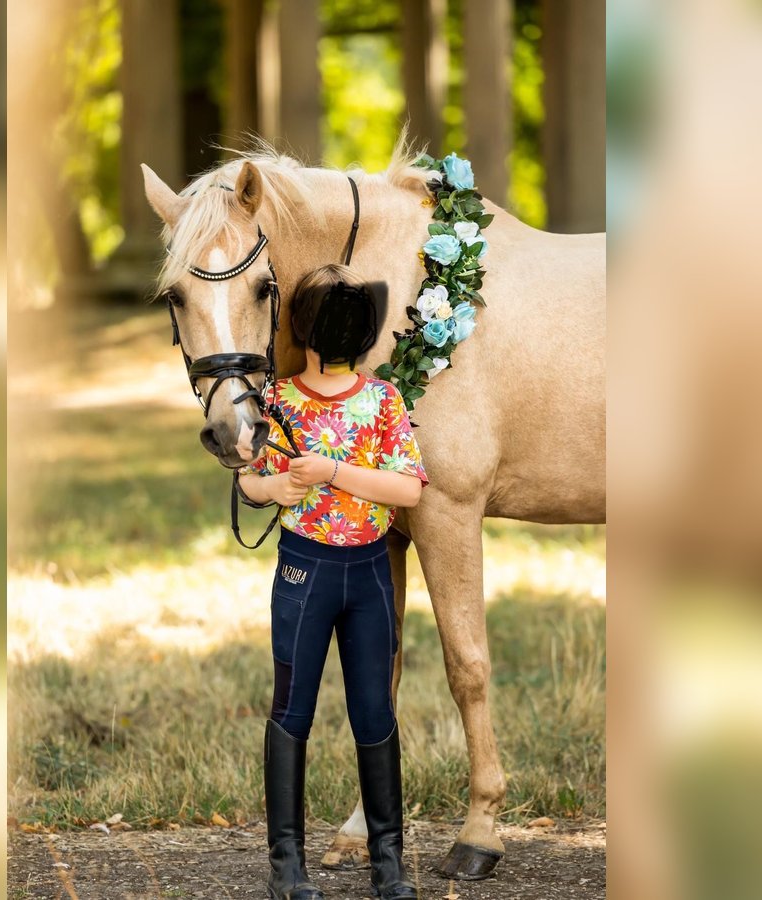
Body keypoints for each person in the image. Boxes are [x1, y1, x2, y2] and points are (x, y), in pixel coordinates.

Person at [237, 264, 429, 900]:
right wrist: (278, 485)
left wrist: (331, 471)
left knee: (374, 712)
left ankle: (389, 862)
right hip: (304, 571)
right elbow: (248, 483)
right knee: (292, 711)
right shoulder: (278, 403)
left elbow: (407, 489)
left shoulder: (383, 401)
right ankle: (285, 867)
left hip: (367, 572)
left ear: (305, 330)